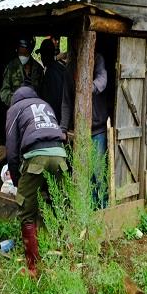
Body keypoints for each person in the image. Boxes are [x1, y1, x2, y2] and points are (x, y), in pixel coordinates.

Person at [5, 85, 68, 277]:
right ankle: (64, 256)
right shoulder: (45, 105)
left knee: (26, 212)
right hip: (60, 155)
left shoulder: (15, 109)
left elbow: (11, 149)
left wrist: (17, 181)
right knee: (59, 205)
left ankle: (33, 267)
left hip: (36, 157)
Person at [61, 51, 109, 208]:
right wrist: (63, 128)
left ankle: (101, 209)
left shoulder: (97, 59)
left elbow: (102, 80)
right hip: (78, 131)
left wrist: (87, 89)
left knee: (98, 173)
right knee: (82, 173)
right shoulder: (70, 68)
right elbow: (66, 102)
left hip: (97, 129)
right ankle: (85, 210)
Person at [0, 36, 44, 108]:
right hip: (16, 107)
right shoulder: (11, 67)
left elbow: (43, 92)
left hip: (35, 107)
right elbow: (4, 92)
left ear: (30, 51)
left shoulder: (38, 69)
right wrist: (15, 101)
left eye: (25, 54)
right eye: (20, 54)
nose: (22, 57)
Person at [39, 38, 67, 126]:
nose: (42, 58)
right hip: (62, 117)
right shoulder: (61, 68)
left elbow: (53, 100)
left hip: (55, 119)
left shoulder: (50, 73)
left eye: (42, 55)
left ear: (45, 56)